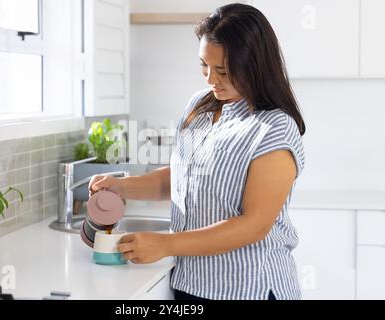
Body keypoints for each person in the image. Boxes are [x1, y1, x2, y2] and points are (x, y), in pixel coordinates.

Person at [89, 3, 305, 300]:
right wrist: (123, 187)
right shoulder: (199, 106)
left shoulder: (274, 128)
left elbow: (253, 225)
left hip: (248, 288)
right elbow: (180, 179)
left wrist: (166, 244)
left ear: (255, 67)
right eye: (204, 65)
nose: (211, 80)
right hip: (190, 284)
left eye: (224, 71)